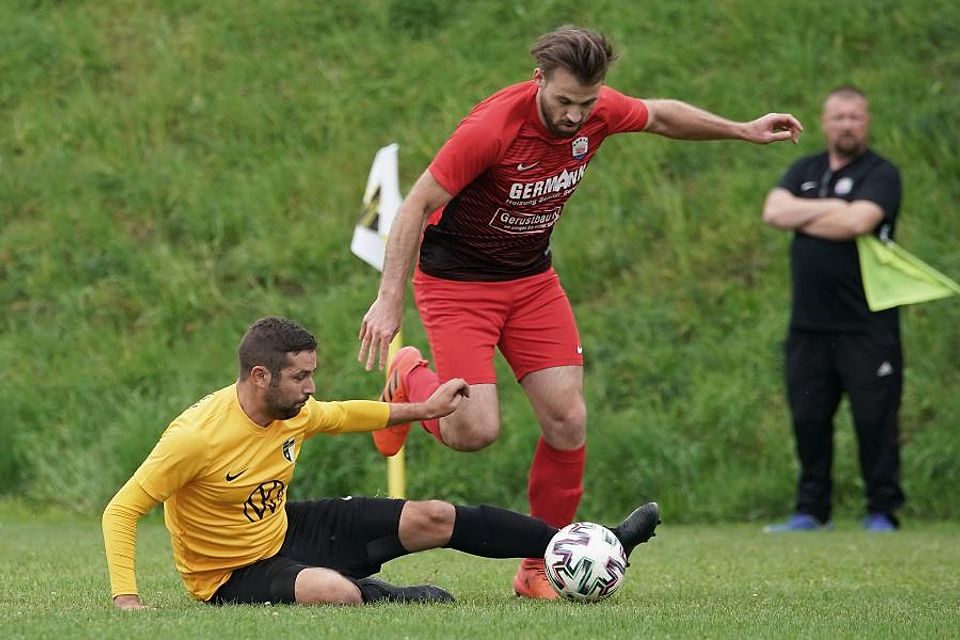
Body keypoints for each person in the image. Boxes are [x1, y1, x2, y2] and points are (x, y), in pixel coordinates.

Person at [357, 26, 802, 598]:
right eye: (564, 101)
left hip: (532, 282)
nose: (574, 115)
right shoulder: (493, 128)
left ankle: (538, 565)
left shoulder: (599, 111)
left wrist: (742, 130)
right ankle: (409, 378)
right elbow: (416, 205)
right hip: (458, 284)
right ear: (539, 79)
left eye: (586, 103)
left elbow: (661, 115)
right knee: (474, 431)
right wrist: (389, 299)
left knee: (568, 421)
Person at [101, 316, 661, 609]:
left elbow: (345, 414)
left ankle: (594, 542)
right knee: (337, 594)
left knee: (434, 515)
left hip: (285, 528)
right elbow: (122, 511)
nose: (311, 387)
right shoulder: (195, 438)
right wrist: (128, 599)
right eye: (301, 377)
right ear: (259, 377)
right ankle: (392, 595)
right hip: (227, 576)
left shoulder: (295, 410)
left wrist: (424, 407)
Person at [761, 85, 905, 533]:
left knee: (874, 420)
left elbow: (859, 222)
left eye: (855, 117)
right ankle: (811, 511)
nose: (847, 124)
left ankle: (882, 511)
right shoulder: (804, 168)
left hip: (868, 325)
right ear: (824, 122)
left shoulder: (882, 173)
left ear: (867, 121)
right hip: (808, 327)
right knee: (809, 419)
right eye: (839, 117)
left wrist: (807, 213)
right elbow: (773, 211)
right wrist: (834, 207)